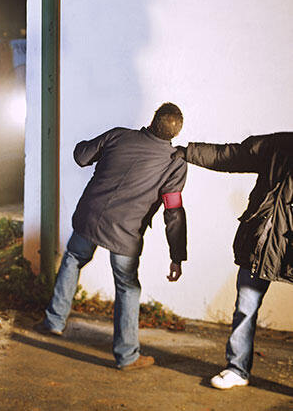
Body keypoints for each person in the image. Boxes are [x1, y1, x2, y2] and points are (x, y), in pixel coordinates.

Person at [36, 103, 187, 371]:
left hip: (89, 220)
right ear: (175, 133)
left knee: (72, 259)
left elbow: (82, 156)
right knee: (127, 287)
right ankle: (127, 356)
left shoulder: (118, 135)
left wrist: (88, 143)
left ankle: (54, 322)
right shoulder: (175, 162)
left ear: (153, 119)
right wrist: (177, 256)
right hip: (125, 235)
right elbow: (173, 212)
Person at [177, 133, 293, 389]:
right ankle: (237, 369)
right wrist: (188, 152)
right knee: (245, 308)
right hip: (262, 244)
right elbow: (231, 155)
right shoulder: (278, 146)